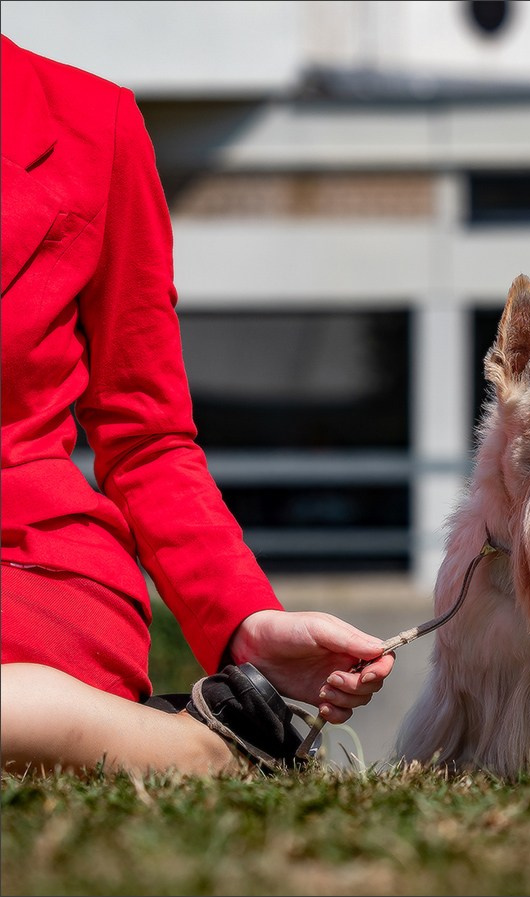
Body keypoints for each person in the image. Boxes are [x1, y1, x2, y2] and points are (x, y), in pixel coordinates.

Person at [0, 34, 395, 776]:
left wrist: (245, 619)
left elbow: (145, 439)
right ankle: (193, 747)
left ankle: (201, 743)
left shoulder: (91, 123)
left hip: (27, 563)